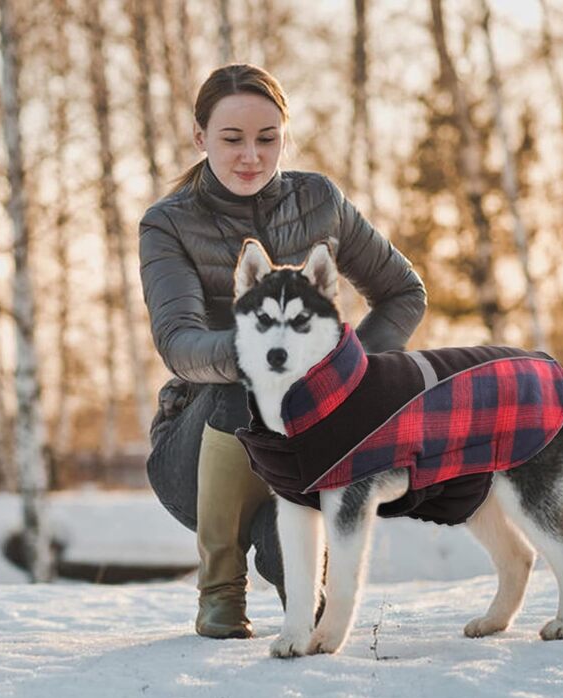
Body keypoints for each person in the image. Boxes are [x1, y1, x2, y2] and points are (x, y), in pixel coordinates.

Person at [139, 63, 426, 640]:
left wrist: (349, 375)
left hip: (302, 442)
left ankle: (303, 592)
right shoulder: (167, 224)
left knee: (285, 564)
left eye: (267, 139)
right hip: (198, 451)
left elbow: (402, 292)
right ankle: (219, 588)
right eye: (231, 139)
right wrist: (266, 358)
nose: (251, 155)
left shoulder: (320, 200)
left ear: (284, 137)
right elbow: (179, 342)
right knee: (241, 384)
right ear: (200, 138)